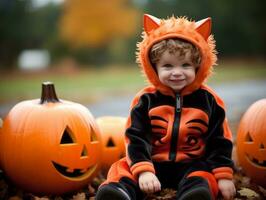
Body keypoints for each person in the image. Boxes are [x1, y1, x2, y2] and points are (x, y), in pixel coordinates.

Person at [95, 14, 236, 200]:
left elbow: (219, 141)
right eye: (168, 66)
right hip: (153, 163)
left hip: (191, 163)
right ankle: (119, 191)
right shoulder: (145, 100)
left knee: (203, 175)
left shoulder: (209, 101)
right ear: (154, 67)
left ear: (198, 66)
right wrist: (144, 170)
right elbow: (135, 137)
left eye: (185, 65)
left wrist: (224, 176)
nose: (177, 73)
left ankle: (194, 195)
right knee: (121, 167)